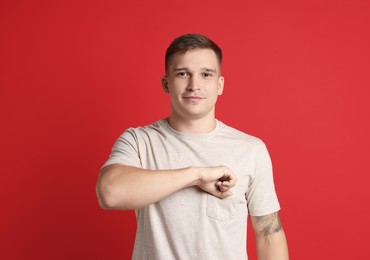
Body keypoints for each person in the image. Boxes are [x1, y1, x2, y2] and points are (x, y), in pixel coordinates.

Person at [96, 34, 289, 260]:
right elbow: (109, 193)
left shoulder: (251, 149)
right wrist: (197, 176)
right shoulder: (139, 141)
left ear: (219, 85)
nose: (194, 85)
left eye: (206, 74)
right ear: (166, 83)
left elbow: (268, 234)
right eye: (182, 74)